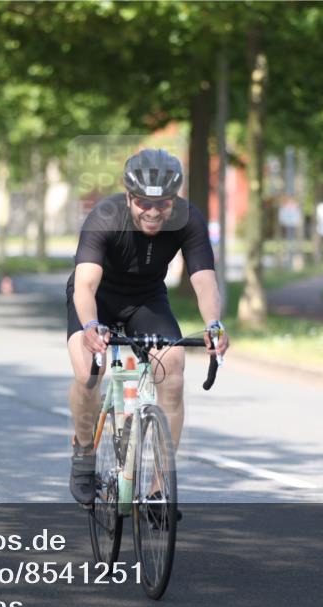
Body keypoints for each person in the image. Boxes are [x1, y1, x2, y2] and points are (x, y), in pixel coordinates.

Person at [65, 148, 230, 504]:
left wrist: (213, 324)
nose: (154, 212)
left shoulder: (189, 219)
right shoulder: (105, 217)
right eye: (143, 203)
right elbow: (85, 286)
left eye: (163, 204)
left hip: (147, 298)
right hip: (98, 299)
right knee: (88, 372)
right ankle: (82, 452)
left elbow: (204, 280)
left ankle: (158, 489)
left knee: (172, 367)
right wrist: (92, 325)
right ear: (129, 197)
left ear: (174, 200)